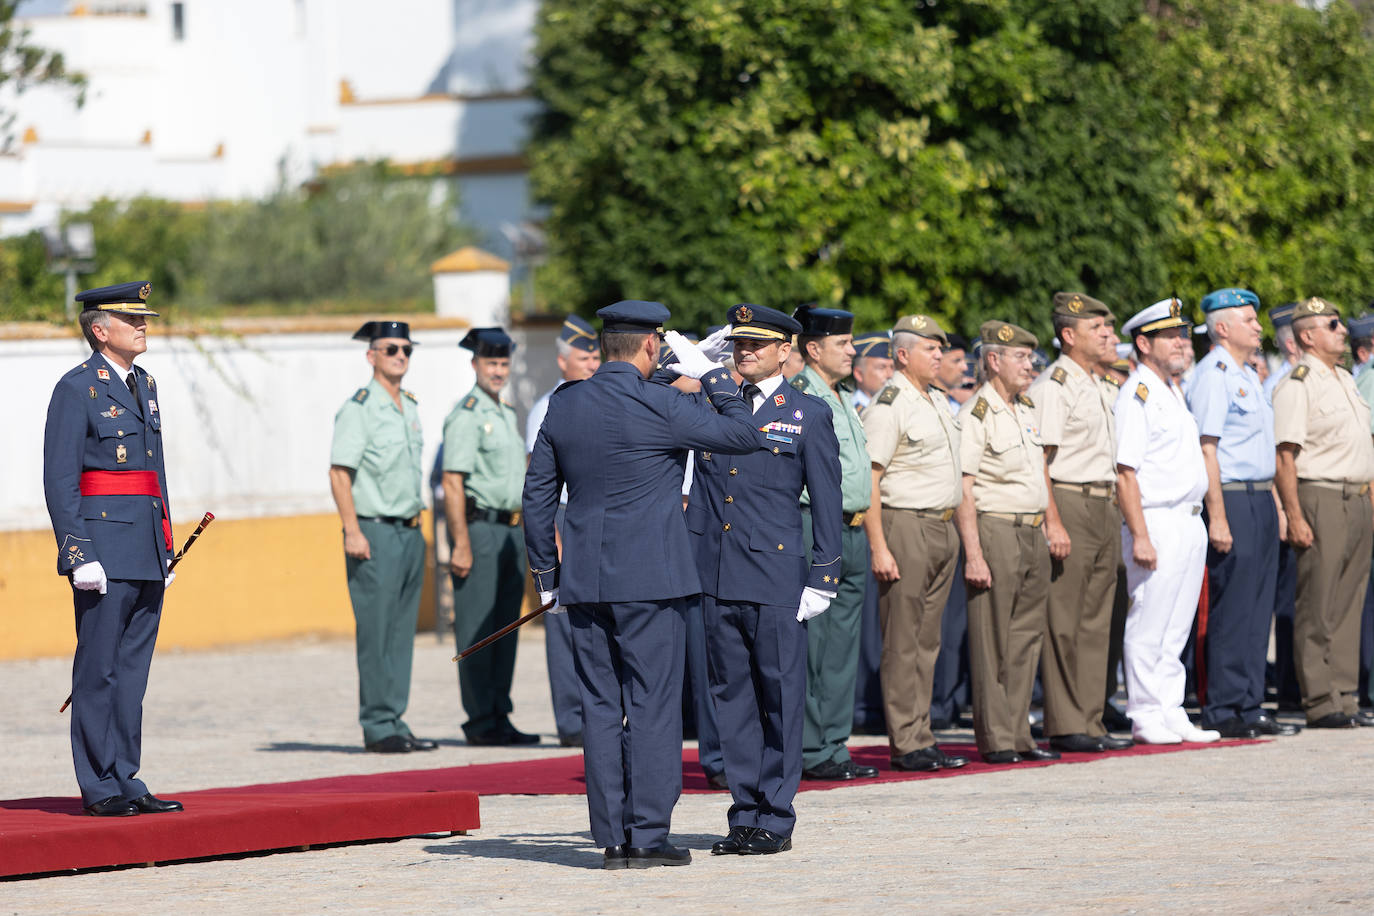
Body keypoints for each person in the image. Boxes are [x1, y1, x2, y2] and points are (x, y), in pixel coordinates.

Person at [523, 300, 760, 869]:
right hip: (651, 580)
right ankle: (648, 835)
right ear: (652, 346)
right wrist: (710, 377)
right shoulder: (659, 403)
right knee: (652, 706)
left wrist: (547, 578)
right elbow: (744, 434)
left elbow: (536, 500)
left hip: (582, 580)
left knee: (601, 706)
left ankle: (611, 836)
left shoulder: (563, 405)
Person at [688, 303, 843, 856]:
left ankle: (775, 816)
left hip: (776, 574)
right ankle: (744, 812)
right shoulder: (709, 404)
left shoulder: (806, 413)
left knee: (778, 695)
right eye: (738, 343)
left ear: (786, 350)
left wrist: (825, 572)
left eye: (758, 343)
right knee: (730, 700)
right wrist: (700, 363)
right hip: (715, 570)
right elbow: (656, 380)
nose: (745, 351)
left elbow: (827, 499)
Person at [43, 281, 182, 816]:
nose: (144, 326)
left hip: (144, 546)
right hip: (102, 549)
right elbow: (61, 480)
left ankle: (126, 776)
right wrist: (78, 554)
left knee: (132, 672)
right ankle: (98, 784)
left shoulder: (144, 384)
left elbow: (154, 474)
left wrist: (164, 543)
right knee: (97, 670)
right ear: (100, 330)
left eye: (145, 319)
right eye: (133, 320)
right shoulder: (76, 389)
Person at [1189, 288, 1297, 739]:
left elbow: (1260, 448)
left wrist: (1277, 504)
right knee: (1233, 607)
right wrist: (1217, 516)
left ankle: (1251, 702)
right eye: (1248, 320)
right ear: (1221, 328)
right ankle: (1225, 707)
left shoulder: (1248, 374)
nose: (1258, 327)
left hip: (1258, 497)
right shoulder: (1214, 374)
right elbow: (1207, 449)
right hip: (1230, 496)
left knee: (1258, 606)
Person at [862, 314, 969, 772]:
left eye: (940, 348)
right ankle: (906, 740)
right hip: (906, 525)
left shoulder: (937, 401)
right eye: (930, 348)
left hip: (942, 526)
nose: (939, 354)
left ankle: (921, 733)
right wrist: (880, 546)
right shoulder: (892, 402)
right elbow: (871, 477)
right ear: (903, 355)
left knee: (928, 639)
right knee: (904, 639)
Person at [1029, 293, 1134, 753]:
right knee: (1065, 618)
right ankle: (1066, 721)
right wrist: (1053, 521)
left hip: (1102, 501)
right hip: (1069, 499)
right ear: (1069, 335)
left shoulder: (1097, 382)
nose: (1108, 335)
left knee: (1099, 619)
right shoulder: (1055, 383)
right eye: (1097, 328)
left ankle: (1091, 718)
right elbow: (1042, 461)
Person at [328, 321, 436, 755]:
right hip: (373, 530)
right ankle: (377, 724)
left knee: (401, 631)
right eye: (391, 348)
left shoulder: (407, 405)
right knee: (377, 631)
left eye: (407, 349)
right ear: (370, 355)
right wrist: (351, 530)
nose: (401, 356)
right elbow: (339, 472)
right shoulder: (360, 408)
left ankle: (395, 718)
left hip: (410, 531)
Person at [1114, 298, 1219, 745]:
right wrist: (1139, 534)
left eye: (1183, 335)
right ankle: (1144, 712)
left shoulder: (1172, 389)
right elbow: (1125, 472)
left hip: (1188, 518)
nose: (1182, 342)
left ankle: (1170, 707)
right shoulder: (1136, 393)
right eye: (1171, 336)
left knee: (1177, 621)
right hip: (1157, 518)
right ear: (1143, 343)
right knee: (1150, 618)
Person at [954, 321, 1055, 764]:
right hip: (995, 528)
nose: (1029, 365)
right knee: (993, 637)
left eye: (1030, 357)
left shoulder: (1026, 407)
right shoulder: (977, 412)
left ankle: (1020, 733)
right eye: (1019, 357)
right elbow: (964, 485)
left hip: (1032, 529)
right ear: (993, 360)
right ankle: (996, 737)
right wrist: (973, 553)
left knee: (1027, 637)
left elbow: (1040, 474)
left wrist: (1051, 524)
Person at [1272, 297, 1374, 728]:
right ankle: (1318, 699)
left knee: (1350, 600)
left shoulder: (1346, 379)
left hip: (1357, 496)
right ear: (1307, 336)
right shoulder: (1298, 382)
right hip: (1321, 494)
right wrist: (1294, 515)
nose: (1342, 331)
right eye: (1333, 325)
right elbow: (1285, 457)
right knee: (1319, 602)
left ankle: (1345, 694)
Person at [788, 305, 876, 781]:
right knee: (816, 643)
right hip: (816, 525)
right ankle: (809, 746)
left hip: (854, 526)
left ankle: (834, 744)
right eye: (842, 343)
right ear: (814, 348)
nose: (852, 350)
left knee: (842, 645)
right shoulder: (805, 396)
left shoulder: (843, 397)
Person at [442, 327, 537, 746]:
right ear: (475, 364)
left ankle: (500, 712)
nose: (498, 371)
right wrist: (460, 542)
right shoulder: (466, 415)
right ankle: (480, 719)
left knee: (505, 626)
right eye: (490, 363)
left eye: (503, 364)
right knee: (479, 628)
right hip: (479, 529)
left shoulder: (503, 411)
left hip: (511, 530)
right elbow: (452, 482)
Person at [525, 315, 601, 748]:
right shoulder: (548, 405)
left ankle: (592, 712)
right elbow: (537, 481)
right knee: (561, 619)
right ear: (561, 361)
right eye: (582, 357)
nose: (591, 363)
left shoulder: (594, 398)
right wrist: (551, 535)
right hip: (564, 516)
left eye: (595, 356)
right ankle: (571, 719)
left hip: (588, 516)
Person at [850, 332, 894, 412]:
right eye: (881, 367)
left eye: (892, 367)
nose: (890, 375)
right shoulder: (851, 411)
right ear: (859, 374)